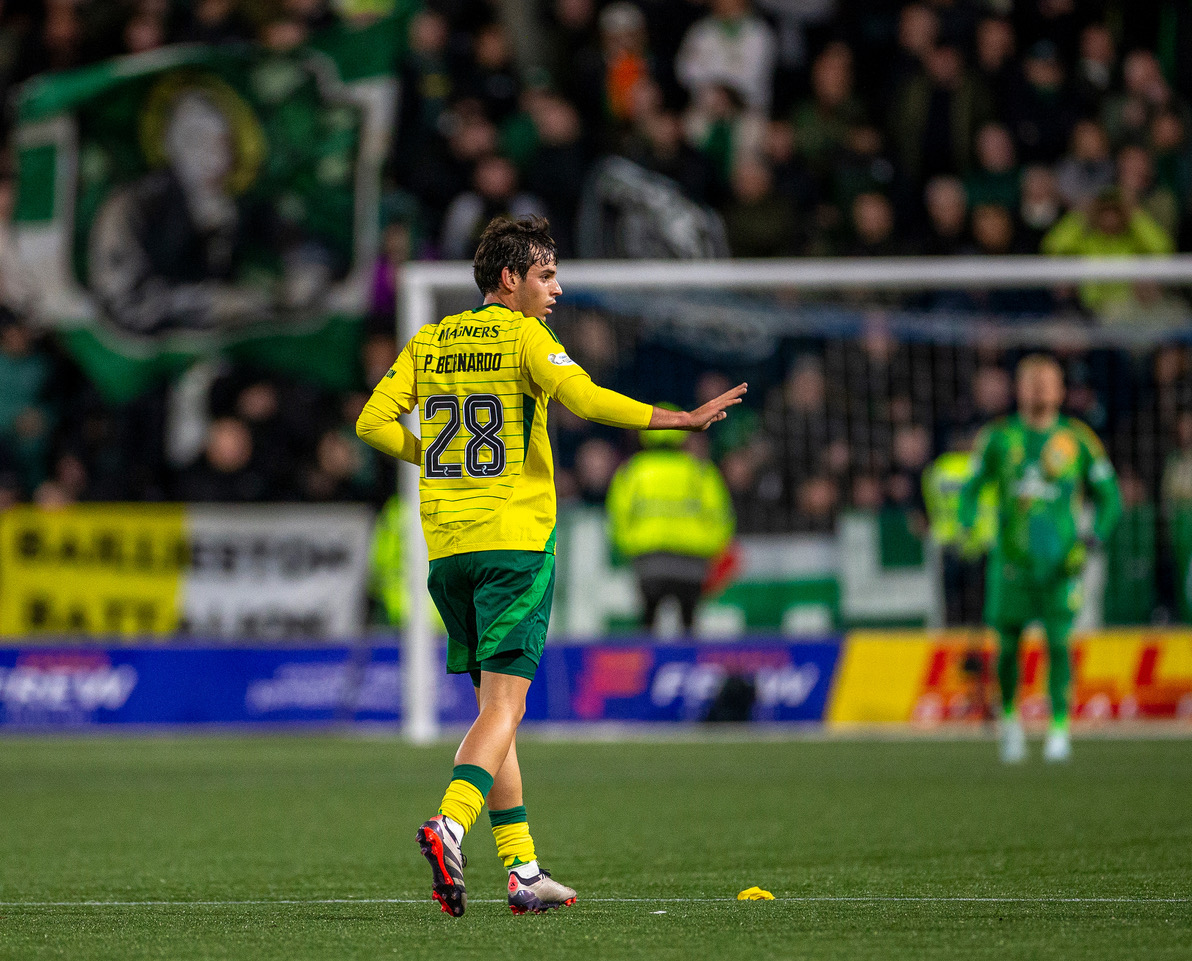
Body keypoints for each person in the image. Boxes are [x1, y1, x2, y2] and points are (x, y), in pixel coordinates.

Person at [355, 216, 745, 916]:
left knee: (493, 713)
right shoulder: (526, 337)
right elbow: (587, 398)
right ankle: (449, 822)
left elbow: (372, 423)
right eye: (545, 275)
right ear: (510, 279)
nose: (556, 289)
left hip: (449, 550)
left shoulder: (430, 338)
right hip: (513, 542)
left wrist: (433, 460)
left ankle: (523, 870)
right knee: (506, 708)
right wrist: (680, 420)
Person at [958, 355, 1120, 765]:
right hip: (1011, 564)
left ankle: (1060, 729)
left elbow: (1110, 497)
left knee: (1060, 644)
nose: (1040, 390)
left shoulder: (1078, 440)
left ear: (1061, 390)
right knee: (1008, 649)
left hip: (1062, 564)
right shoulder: (998, 438)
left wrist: (1094, 535)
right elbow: (971, 488)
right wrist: (967, 524)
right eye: (1032, 382)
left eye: (1048, 382)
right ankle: (1010, 723)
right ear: (1018, 389)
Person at [605, 415, 735, 633]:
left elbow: (617, 517)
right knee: (689, 624)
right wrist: (709, 548)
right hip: (693, 562)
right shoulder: (700, 471)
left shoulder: (632, 472)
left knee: (648, 621)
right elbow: (722, 517)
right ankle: (688, 665)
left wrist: (631, 547)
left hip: (648, 562)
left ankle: (649, 665)